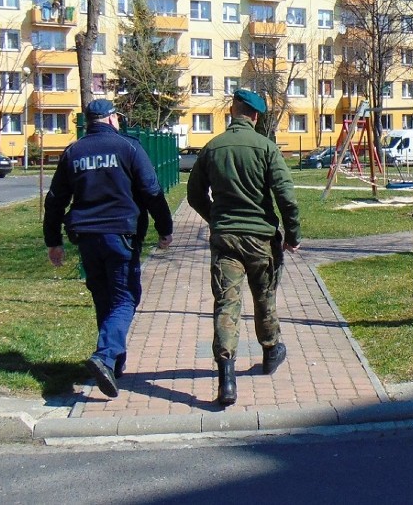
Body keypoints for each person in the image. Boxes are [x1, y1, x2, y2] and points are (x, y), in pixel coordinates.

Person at [43, 99, 173, 398]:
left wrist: (53, 241)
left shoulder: (73, 152)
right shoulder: (129, 147)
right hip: (121, 235)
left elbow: (55, 200)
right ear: (112, 119)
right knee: (125, 298)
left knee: (104, 298)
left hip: (87, 237)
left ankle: (113, 364)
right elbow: (152, 191)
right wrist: (164, 228)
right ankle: (105, 356)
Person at [187, 89, 301, 406]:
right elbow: (286, 197)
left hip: (225, 240)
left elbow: (194, 195)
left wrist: (217, 219)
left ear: (233, 111)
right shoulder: (266, 148)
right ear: (255, 116)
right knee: (264, 297)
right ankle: (271, 350)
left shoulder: (212, 148)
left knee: (227, 305)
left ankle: (226, 379)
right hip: (261, 239)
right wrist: (292, 234)